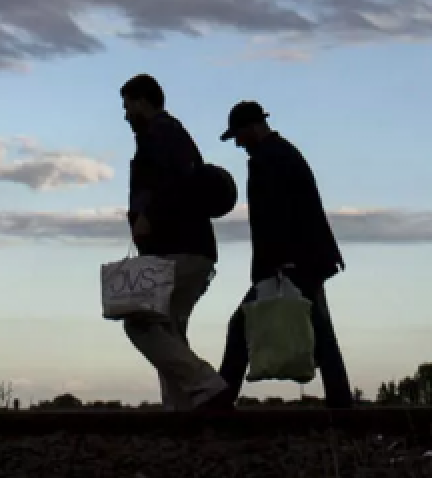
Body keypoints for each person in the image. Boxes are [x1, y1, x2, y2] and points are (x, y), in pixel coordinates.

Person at [214, 101, 352, 410]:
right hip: (306, 260)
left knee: (241, 325)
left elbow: (273, 218)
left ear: (252, 127)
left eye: (239, 134)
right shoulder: (283, 153)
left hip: (291, 262)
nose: (238, 142)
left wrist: (273, 266)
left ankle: (220, 402)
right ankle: (341, 403)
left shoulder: (268, 159)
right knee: (320, 331)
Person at [119, 74, 228, 411]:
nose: (125, 114)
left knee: (139, 321)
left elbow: (171, 181)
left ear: (141, 101)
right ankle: (182, 409)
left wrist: (147, 215)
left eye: (127, 105)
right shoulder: (172, 134)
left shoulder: (160, 134)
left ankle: (205, 383)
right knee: (169, 330)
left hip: (177, 248)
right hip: (194, 249)